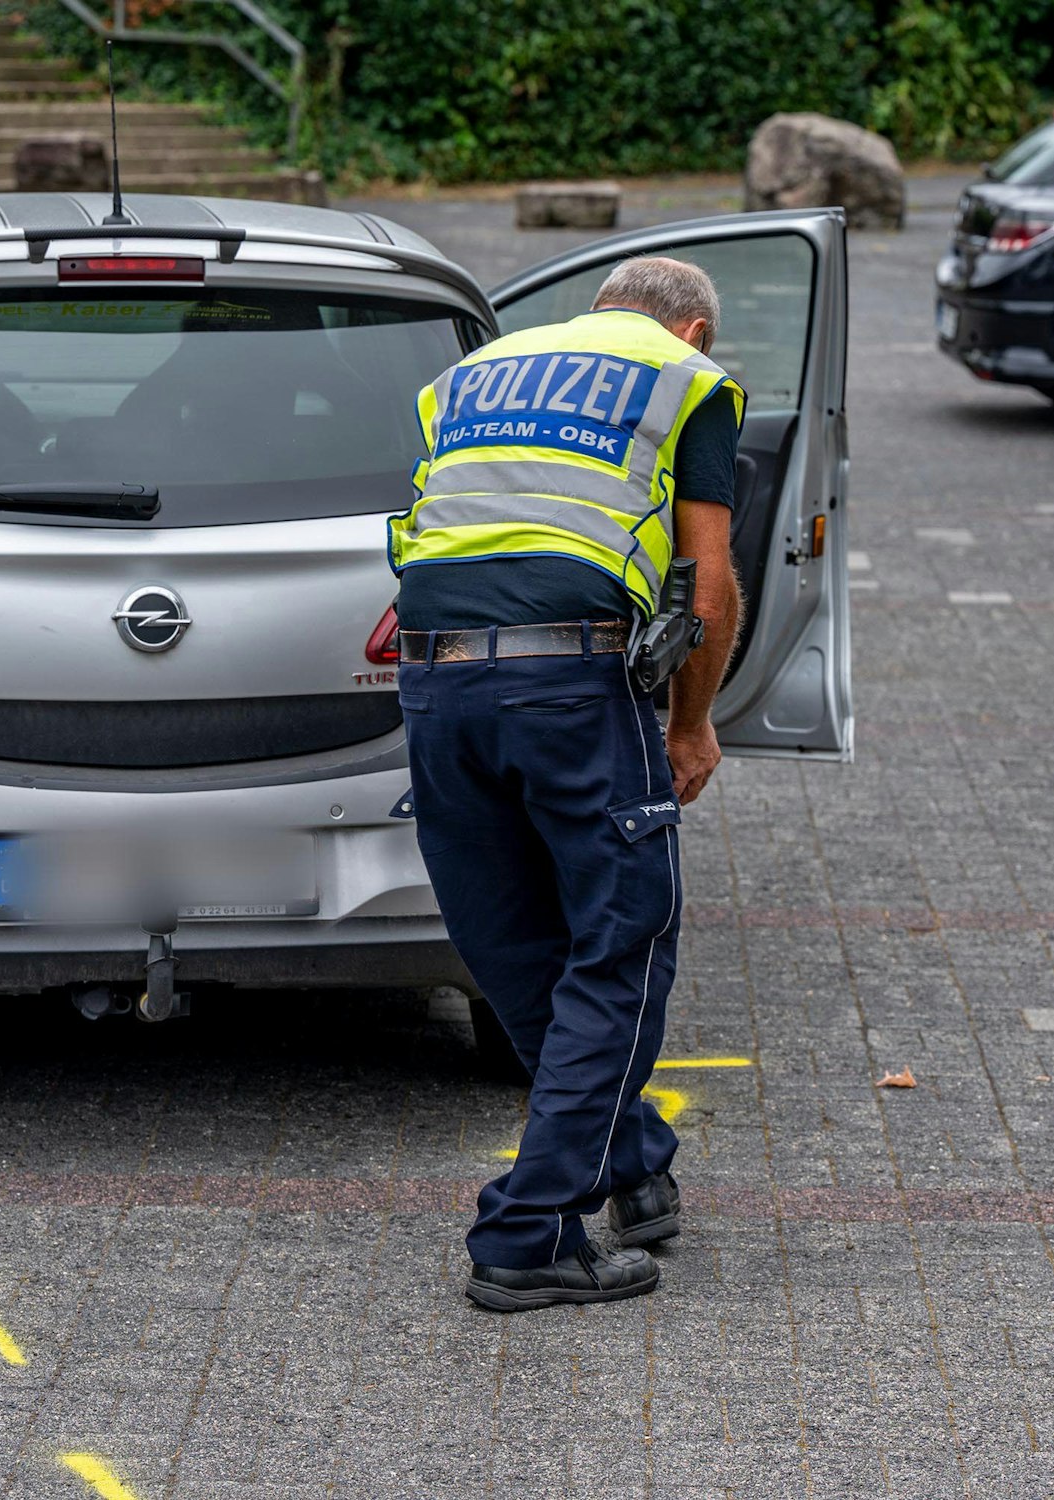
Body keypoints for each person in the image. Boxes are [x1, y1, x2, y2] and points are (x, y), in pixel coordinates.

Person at [387, 256, 744, 1311]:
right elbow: (707, 587)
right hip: (570, 682)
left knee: (519, 950)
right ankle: (527, 1231)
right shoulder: (682, 378)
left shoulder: (472, 375)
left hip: (431, 678)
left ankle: (633, 1164)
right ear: (691, 329)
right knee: (620, 947)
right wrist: (689, 724)